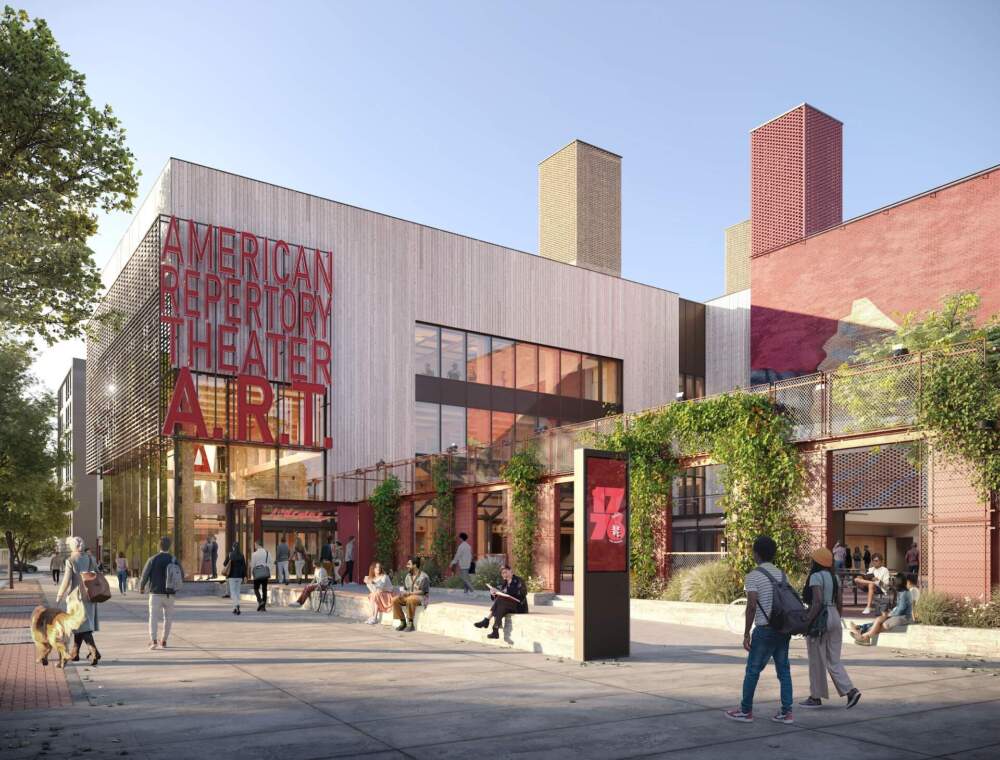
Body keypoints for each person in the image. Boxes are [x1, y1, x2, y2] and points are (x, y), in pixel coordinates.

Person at [725, 535, 793, 725]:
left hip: (765, 630)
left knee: (753, 671)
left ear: (756, 553)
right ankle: (787, 712)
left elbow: (751, 606)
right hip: (783, 629)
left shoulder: (753, 576)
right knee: (784, 671)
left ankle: (745, 710)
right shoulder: (782, 575)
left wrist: (746, 633)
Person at [799, 548, 862, 710]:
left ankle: (815, 697)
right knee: (833, 659)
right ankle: (850, 691)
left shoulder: (815, 576)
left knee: (816, 660)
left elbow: (817, 601)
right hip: (834, 615)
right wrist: (836, 619)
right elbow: (840, 602)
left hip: (821, 618)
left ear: (816, 562)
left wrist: (807, 621)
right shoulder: (835, 577)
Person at [55, 536, 101, 665]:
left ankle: (94, 651)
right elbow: (98, 573)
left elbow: (66, 580)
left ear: (72, 547)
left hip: (76, 598)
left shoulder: (71, 560)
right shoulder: (91, 558)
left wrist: (59, 595)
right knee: (80, 626)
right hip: (90, 596)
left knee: (81, 626)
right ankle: (75, 653)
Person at [139, 536, 180, 650]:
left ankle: (153, 641)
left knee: (153, 617)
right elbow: (181, 573)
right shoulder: (173, 559)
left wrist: (141, 587)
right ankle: (164, 640)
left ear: (159, 546)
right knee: (168, 618)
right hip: (170, 593)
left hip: (155, 593)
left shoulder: (153, 559)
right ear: (169, 546)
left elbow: (145, 575)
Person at [850, 574, 913, 644]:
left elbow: (901, 609)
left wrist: (889, 615)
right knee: (878, 619)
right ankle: (862, 632)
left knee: (883, 623)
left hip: (905, 617)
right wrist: (890, 613)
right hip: (899, 615)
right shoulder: (901, 592)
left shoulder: (904, 594)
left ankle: (863, 635)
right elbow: (898, 607)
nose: (892, 583)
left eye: (893, 581)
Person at [473, 564, 528, 639]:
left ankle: (487, 620)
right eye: (502, 573)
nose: (504, 574)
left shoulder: (519, 580)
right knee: (501, 604)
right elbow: (499, 597)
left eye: (505, 572)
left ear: (511, 571)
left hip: (519, 606)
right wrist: (494, 593)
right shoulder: (505, 583)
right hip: (507, 606)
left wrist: (506, 592)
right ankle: (495, 630)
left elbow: (523, 593)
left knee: (501, 602)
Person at [391, 557, 430, 631]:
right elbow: (405, 589)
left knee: (410, 599)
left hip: (421, 597)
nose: (407, 566)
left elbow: (422, 591)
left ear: (414, 565)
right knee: (394, 600)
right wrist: (403, 593)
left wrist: (409, 593)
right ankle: (403, 622)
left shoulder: (424, 577)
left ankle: (410, 623)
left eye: (409, 564)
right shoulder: (408, 576)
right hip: (409, 596)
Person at [222, 542, 247, 615]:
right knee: (237, 591)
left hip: (232, 576)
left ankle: (236, 605)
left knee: (233, 592)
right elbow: (244, 566)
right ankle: (235, 608)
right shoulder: (242, 555)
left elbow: (224, 563)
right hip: (239, 576)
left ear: (233, 547)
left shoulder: (230, 554)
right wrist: (245, 576)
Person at [250, 541, 271, 611]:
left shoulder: (254, 554)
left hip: (257, 573)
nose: (254, 546)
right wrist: (267, 569)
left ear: (258, 545)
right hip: (265, 573)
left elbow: (253, 565)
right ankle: (263, 607)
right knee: (264, 590)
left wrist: (252, 573)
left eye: (255, 545)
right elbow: (270, 562)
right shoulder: (267, 553)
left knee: (256, 589)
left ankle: (260, 601)